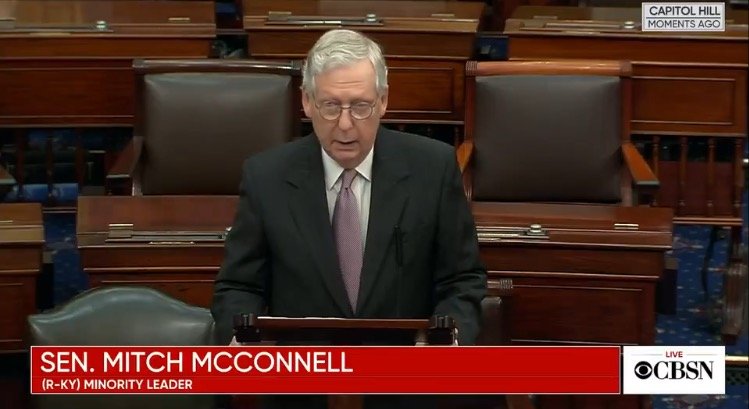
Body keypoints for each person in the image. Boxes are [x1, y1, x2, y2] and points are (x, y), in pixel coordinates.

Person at [211, 29, 486, 409]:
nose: (344, 124)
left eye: (360, 106)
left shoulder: (433, 168)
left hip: (405, 389)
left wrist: (448, 343)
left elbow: (462, 279)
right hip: (300, 391)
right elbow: (239, 286)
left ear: (383, 101)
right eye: (330, 106)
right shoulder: (266, 177)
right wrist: (242, 342)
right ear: (306, 102)